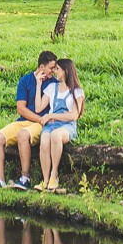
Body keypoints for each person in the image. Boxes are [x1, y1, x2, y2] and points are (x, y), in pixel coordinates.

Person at [0, 51, 58, 189]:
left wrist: (43, 120)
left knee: (23, 134)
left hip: (42, 124)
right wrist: (39, 119)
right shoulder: (25, 81)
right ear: (42, 67)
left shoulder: (54, 83)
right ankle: (0, 180)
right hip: (29, 120)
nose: (54, 71)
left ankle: (25, 177)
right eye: (51, 68)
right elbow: (21, 108)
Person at [35, 58, 85, 193]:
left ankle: (54, 174)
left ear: (65, 71)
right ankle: (45, 180)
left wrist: (51, 115)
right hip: (51, 125)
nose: (55, 71)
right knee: (44, 139)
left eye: (57, 69)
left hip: (67, 126)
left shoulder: (77, 91)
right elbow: (38, 108)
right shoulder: (52, 88)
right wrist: (38, 85)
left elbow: (74, 115)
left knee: (56, 135)